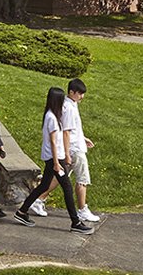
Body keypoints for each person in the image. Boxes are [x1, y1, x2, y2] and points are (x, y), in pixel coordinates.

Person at [13, 87, 92, 234]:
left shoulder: (52, 116)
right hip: (55, 159)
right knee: (67, 189)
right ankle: (75, 222)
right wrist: (57, 163)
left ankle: (22, 212)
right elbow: (54, 142)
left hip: (55, 158)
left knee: (43, 186)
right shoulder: (52, 118)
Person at [61, 78, 99, 222]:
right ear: (72, 92)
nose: (82, 97)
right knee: (82, 179)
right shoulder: (69, 107)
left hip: (74, 146)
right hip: (75, 149)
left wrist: (83, 138)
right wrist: (67, 152)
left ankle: (39, 199)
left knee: (60, 177)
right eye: (80, 94)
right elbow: (67, 131)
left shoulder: (71, 104)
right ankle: (82, 209)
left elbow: (73, 128)